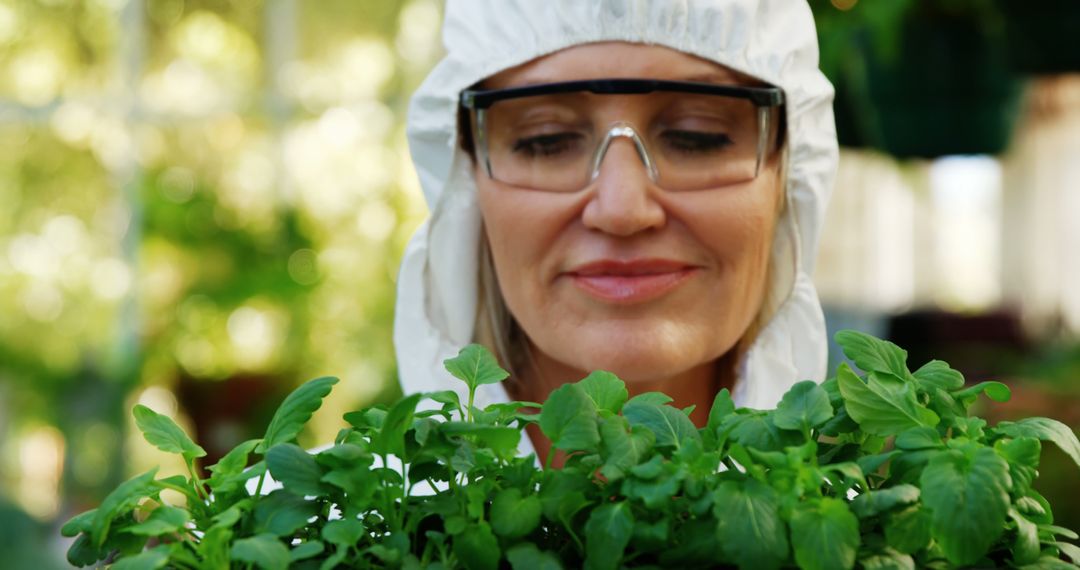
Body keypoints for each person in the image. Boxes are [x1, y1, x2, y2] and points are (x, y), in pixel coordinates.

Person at [394, 0, 837, 464]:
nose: (622, 209)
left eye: (697, 135)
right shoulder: (333, 531)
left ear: (789, 177)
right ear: (465, 183)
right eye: (545, 140)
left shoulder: (882, 533)